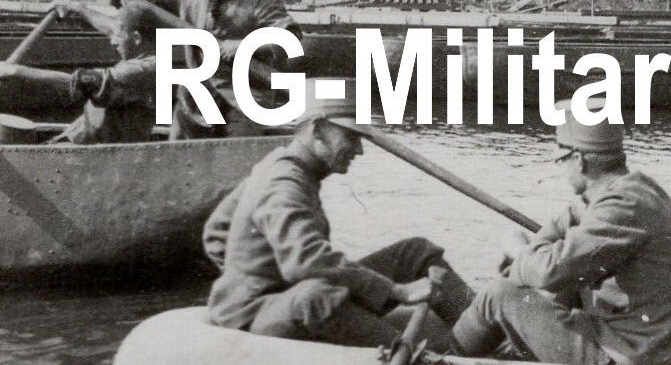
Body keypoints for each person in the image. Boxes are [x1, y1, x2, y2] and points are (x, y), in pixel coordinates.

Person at [449, 101, 671, 365]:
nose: (559, 166)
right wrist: (536, 249)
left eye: (561, 159)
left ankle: (445, 357)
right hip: (665, 336)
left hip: (642, 349)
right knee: (562, 281)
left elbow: (549, 272)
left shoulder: (620, 208)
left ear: (578, 161)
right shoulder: (639, 189)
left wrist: (519, 250)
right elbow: (571, 219)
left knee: (497, 296)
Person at [203, 87, 476, 348]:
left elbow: (216, 231)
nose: (359, 149)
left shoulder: (279, 165)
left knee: (416, 252)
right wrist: (396, 291)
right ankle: (423, 356)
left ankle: (481, 330)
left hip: (282, 299)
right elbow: (305, 260)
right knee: (318, 296)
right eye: (351, 137)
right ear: (317, 129)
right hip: (256, 314)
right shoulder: (284, 182)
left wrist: (254, 275)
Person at [61, 0, 296, 139]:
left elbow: (291, 38)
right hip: (195, 98)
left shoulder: (261, 0)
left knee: (237, 159)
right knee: (177, 154)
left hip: (244, 101)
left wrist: (242, 46)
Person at [0, 0, 159, 144]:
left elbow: (82, 82)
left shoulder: (144, 70)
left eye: (118, 36)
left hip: (95, 157)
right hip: (80, 139)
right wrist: (75, 7)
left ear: (137, 38)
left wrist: (13, 71)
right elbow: (111, 27)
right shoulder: (142, 49)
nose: (112, 41)